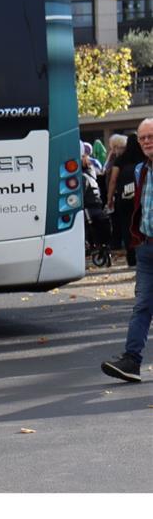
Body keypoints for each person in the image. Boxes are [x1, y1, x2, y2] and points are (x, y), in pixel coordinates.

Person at [101, 118, 153, 383]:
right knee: (142, 305)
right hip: (146, 247)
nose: (146, 142)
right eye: (142, 138)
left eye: (150, 136)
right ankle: (131, 361)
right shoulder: (140, 170)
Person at [107, 133, 142, 267]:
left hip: (125, 199)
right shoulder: (144, 159)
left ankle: (132, 259)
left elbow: (113, 180)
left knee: (127, 227)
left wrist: (110, 198)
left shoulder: (120, 160)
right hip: (141, 198)